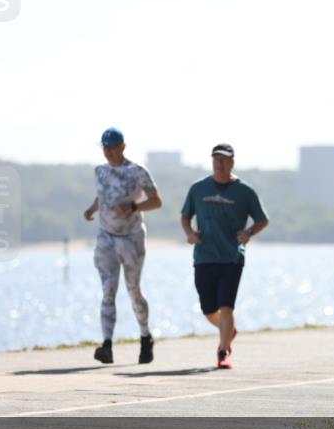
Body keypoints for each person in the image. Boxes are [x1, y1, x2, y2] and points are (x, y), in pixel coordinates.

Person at [181, 144, 269, 369]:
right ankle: (227, 330)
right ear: (212, 162)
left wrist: (249, 232)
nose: (220, 164)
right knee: (209, 309)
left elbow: (262, 220)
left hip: (232, 257)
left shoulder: (244, 191)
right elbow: (185, 216)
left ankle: (223, 351)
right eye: (216, 160)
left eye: (225, 160)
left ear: (232, 163)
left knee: (227, 306)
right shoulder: (198, 188)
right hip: (204, 257)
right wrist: (190, 233)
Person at [83, 127, 163, 365]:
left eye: (112, 147)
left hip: (131, 238)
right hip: (106, 237)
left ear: (122, 147)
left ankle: (145, 337)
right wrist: (92, 208)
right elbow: (102, 195)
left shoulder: (137, 172)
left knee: (132, 289)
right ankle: (107, 346)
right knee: (108, 290)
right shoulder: (100, 171)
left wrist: (132, 207)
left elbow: (156, 201)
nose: (107, 152)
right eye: (104, 147)